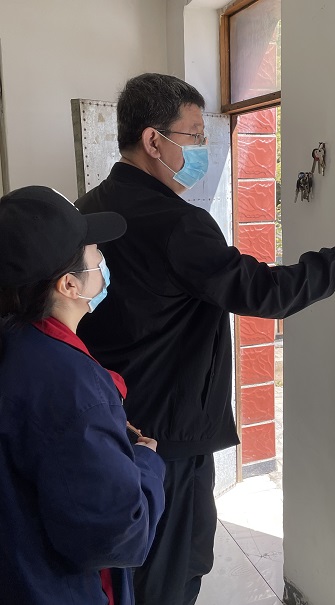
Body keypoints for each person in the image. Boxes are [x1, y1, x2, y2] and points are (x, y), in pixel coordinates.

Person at [76, 73, 335, 605]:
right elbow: (267, 292)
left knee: (133, 565)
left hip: (112, 415)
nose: (202, 149)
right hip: (169, 436)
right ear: (153, 141)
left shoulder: (88, 209)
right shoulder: (178, 224)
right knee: (174, 570)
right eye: (193, 136)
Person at [0, 186, 166, 605]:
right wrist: (145, 462)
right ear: (70, 285)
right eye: (95, 252)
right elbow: (120, 537)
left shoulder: (16, 343)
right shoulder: (72, 388)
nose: (103, 260)